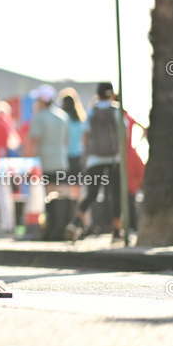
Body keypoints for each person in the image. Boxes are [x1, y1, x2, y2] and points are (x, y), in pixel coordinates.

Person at [65, 82, 124, 243]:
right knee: (115, 194)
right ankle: (117, 230)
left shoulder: (92, 111)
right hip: (114, 159)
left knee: (91, 193)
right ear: (112, 93)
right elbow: (123, 133)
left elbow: (85, 136)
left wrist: (86, 156)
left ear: (97, 94)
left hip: (94, 159)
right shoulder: (117, 110)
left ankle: (75, 223)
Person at [24, 85, 71, 196]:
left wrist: (29, 162)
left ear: (42, 101)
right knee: (58, 196)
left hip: (43, 164)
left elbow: (34, 141)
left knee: (43, 197)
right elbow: (66, 141)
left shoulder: (38, 117)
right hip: (60, 162)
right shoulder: (63, 116)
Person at [58, 88, 87, 183]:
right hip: (79, 154)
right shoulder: (80, 119)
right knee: (77, 183)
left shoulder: (63, 119)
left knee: (65, 184)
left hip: (66, 155)